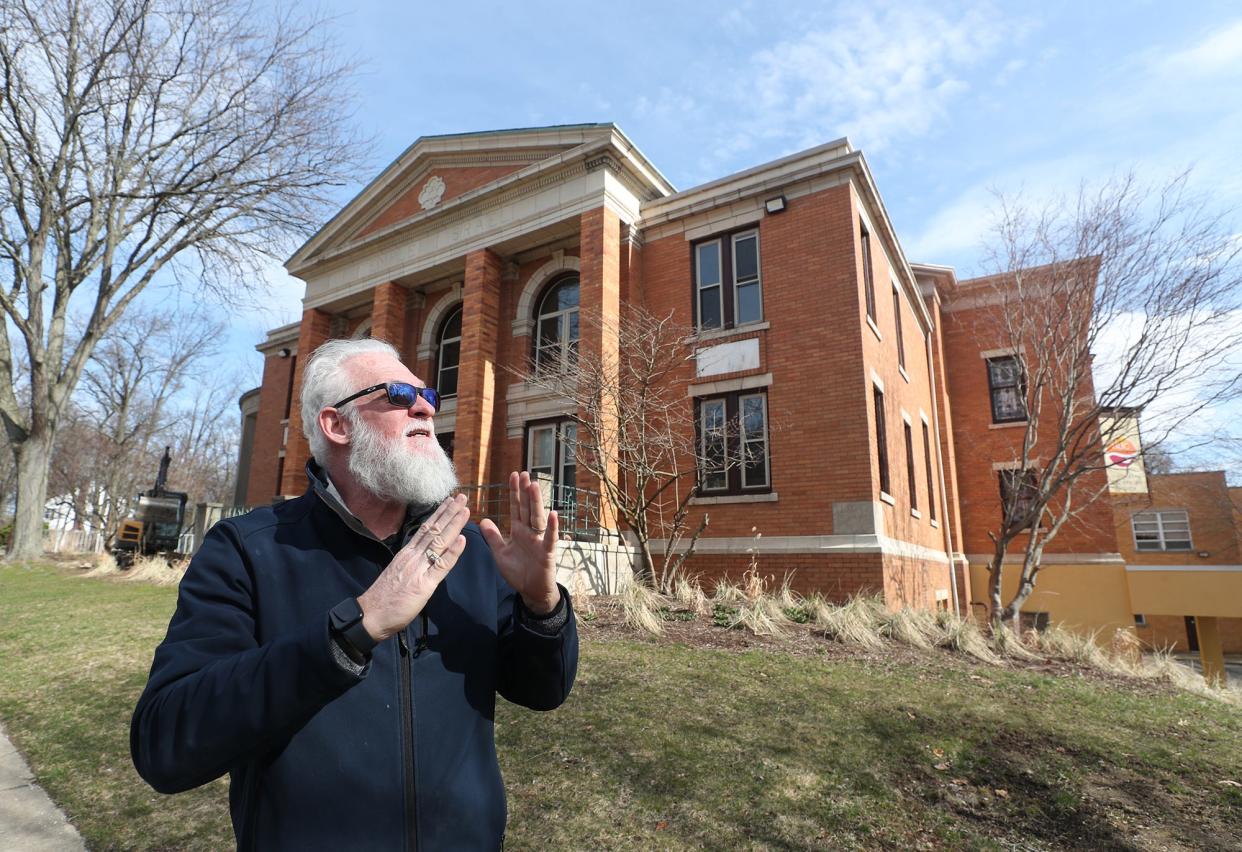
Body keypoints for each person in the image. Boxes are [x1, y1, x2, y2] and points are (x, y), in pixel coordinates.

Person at [131, 337, 578, 851]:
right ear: (336, 424)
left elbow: (543, 692)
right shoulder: (247, 551)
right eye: (397, 394)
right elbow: (165, 744)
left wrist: (541, 608)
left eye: (428, 393)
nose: (427, 406)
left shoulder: (471, 548)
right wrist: (352, 631)